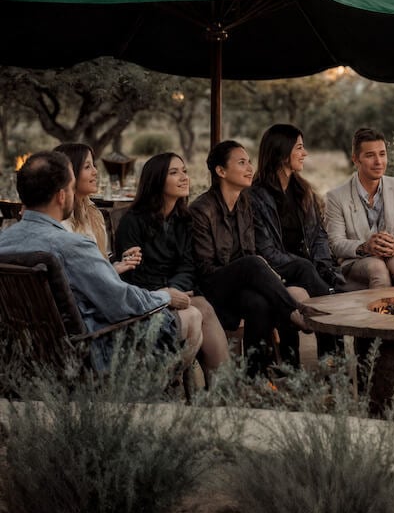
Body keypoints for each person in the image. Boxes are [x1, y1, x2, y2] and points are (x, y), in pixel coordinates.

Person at [0, 151, 203, 370]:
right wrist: (165, 295)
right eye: (71, 187)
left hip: (23, 353)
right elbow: (121, 303)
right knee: (192, 315)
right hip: (87, 351)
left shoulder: (4, 241)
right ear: (61, 196)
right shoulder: (72, 246)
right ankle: (154, 389)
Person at [188, 140, 321, 372]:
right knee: (253, 264)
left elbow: (249, 251)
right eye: (241, 163)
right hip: (210, 286)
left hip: (241, 286)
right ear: (221, 171)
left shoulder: (244, 203)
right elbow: (205, 269)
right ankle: (293, 312)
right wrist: (253, 273)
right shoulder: (201, 210)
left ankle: (260, 374)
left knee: (260, 303)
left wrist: (263, 281)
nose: (250, 168)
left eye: (249, 161)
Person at [114, 152, 229, 378]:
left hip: (175, 292)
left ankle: (221, 388)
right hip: (144, 299)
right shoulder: (132, 221)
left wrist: (175, 290)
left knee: (204, 306)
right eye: (174, 173)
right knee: (201, 308)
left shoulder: (183, 220)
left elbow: (188, 265)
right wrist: (165, 294)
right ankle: (218, 388)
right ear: (156, 180)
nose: (184, 177)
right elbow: (130, 275)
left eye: (184, 171)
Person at [250, 123, 343, 296]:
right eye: (299, 148)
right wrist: (304, 266)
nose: (305, 153)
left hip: (308, 269)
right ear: (282, 152)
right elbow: (265, 251)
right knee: (310, 274)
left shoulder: (303, 191)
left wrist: (322, 268)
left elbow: (318, 236)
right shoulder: (256, 197)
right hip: (280, 272)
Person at [325, 127, 394, 288]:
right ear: (355, 159)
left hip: (392, 254)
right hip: (356, 261)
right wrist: (364, 247)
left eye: (382, 154)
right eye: (370, 155)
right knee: (377, 267)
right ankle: (380, 313)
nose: (378, 162)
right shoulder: (336, 196)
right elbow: (336, 243)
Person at [54, 142, 141, 274]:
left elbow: (99, 262)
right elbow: (78, 274)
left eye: (94, 165)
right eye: (87, 167)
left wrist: (119, 263)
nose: (95, 172)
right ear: (70, 173)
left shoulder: (93, 213)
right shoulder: (59, 220)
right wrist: (111, 271)